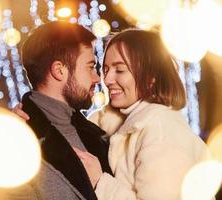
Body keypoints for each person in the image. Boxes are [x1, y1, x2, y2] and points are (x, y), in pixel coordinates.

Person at [74, 29, 209, 200]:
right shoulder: (118, 125)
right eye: (106, 69)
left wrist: (100, 182)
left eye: (120, 70)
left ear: (151, 76)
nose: (107, 80)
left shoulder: (162, 133)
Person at [9, 21, 115, 200]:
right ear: (59, 70)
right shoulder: (16, 143)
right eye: (90, 67)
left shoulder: (94, 133)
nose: (97, 78)